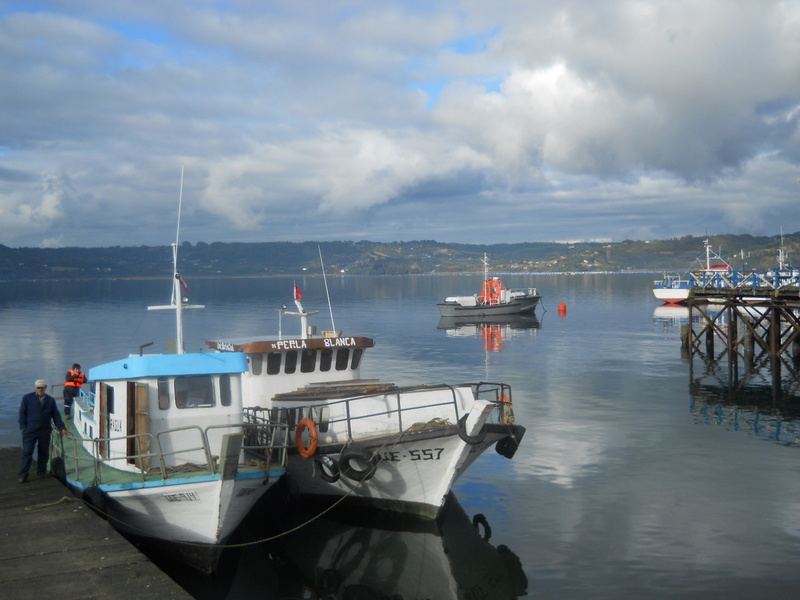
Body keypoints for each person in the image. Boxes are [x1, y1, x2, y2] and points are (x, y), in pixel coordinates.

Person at [18, 380, 68, 484]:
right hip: (30, 431)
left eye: (42, 387)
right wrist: (23, 427)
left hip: (44, 430)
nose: (40, 389)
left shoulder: (50, 400)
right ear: (35, 387)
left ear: (45, 387)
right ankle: (23, 475)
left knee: (44, 452)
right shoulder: (27, 398)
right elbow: (22, 413)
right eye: (38, 387)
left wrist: (62, 427)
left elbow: (56, 415)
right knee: (27, 452)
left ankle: (41, 471)